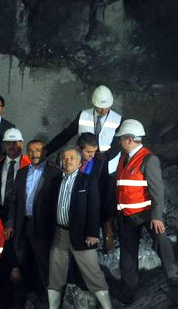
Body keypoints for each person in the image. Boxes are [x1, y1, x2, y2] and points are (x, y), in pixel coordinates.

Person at [40, 146, 116, 309]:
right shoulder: (55, 181)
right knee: (55, 271)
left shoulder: (88, 181)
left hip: (82, 234)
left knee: (92, 271)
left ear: (79, 161)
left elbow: (94, 208)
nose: (67, 161)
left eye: (72, 158)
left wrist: (92, 233)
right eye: (65, 158)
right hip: (60, 233)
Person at [44, 85, 122, 252]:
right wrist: (47, 149)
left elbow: (118, 143)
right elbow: (66, 134)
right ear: (93, 104)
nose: (102, 110)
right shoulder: (84, 115)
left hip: (107, 166)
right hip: (87, 164)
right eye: (99, 107)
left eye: (105, 107)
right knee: (85, 197)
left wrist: (106, 155)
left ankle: (108, 235)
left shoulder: (118, 119)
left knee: (107, 199)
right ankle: (82, 233)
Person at [114, 119, 178, 304]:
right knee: (127, 256)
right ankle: (128, 292)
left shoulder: (148, 159)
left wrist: (157, 216)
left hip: (146, 213)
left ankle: (173, 275)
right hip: (126, 216)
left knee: (161, 238)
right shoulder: (122, 158)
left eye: (121, 139)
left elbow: (157, 190)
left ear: (129, 139)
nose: (119, 142)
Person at [5, 139, 61, 304]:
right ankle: (20, 298)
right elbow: (14, 201)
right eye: (30, 150)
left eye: (38, 150)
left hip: (43, 226)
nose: (34, 154)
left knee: (44, 263)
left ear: (44, 152)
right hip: (23, 224)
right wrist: (10, 223)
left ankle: (50, 301)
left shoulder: (54, 173)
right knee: (21, 261)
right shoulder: (21, 173)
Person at [77, 132, 116, 253]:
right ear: (78, 148)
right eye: (88, 152)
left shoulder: (100, 162)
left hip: (94, 202)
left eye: (94, 151)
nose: (92, 155)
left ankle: (108, 242)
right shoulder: (68, 158)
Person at [0, 128, 31, 220]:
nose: (12, 146)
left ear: (22, 144)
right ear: (3, 145)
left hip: (20, 214)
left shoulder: (29, 164)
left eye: (15, 143)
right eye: (8, 143)